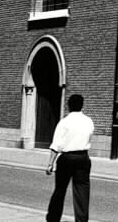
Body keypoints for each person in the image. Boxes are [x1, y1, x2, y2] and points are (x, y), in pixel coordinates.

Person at [45, 93, 94, 222]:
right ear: (82, 105)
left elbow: (56, 144)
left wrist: (50, 163)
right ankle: (82, 219)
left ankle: (53, 218)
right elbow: (89, 138)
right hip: (83, 158)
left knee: (60, 189)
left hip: (67, 158)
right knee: (82, 191)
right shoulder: (89, 121)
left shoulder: (64, 122)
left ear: (69, 106)